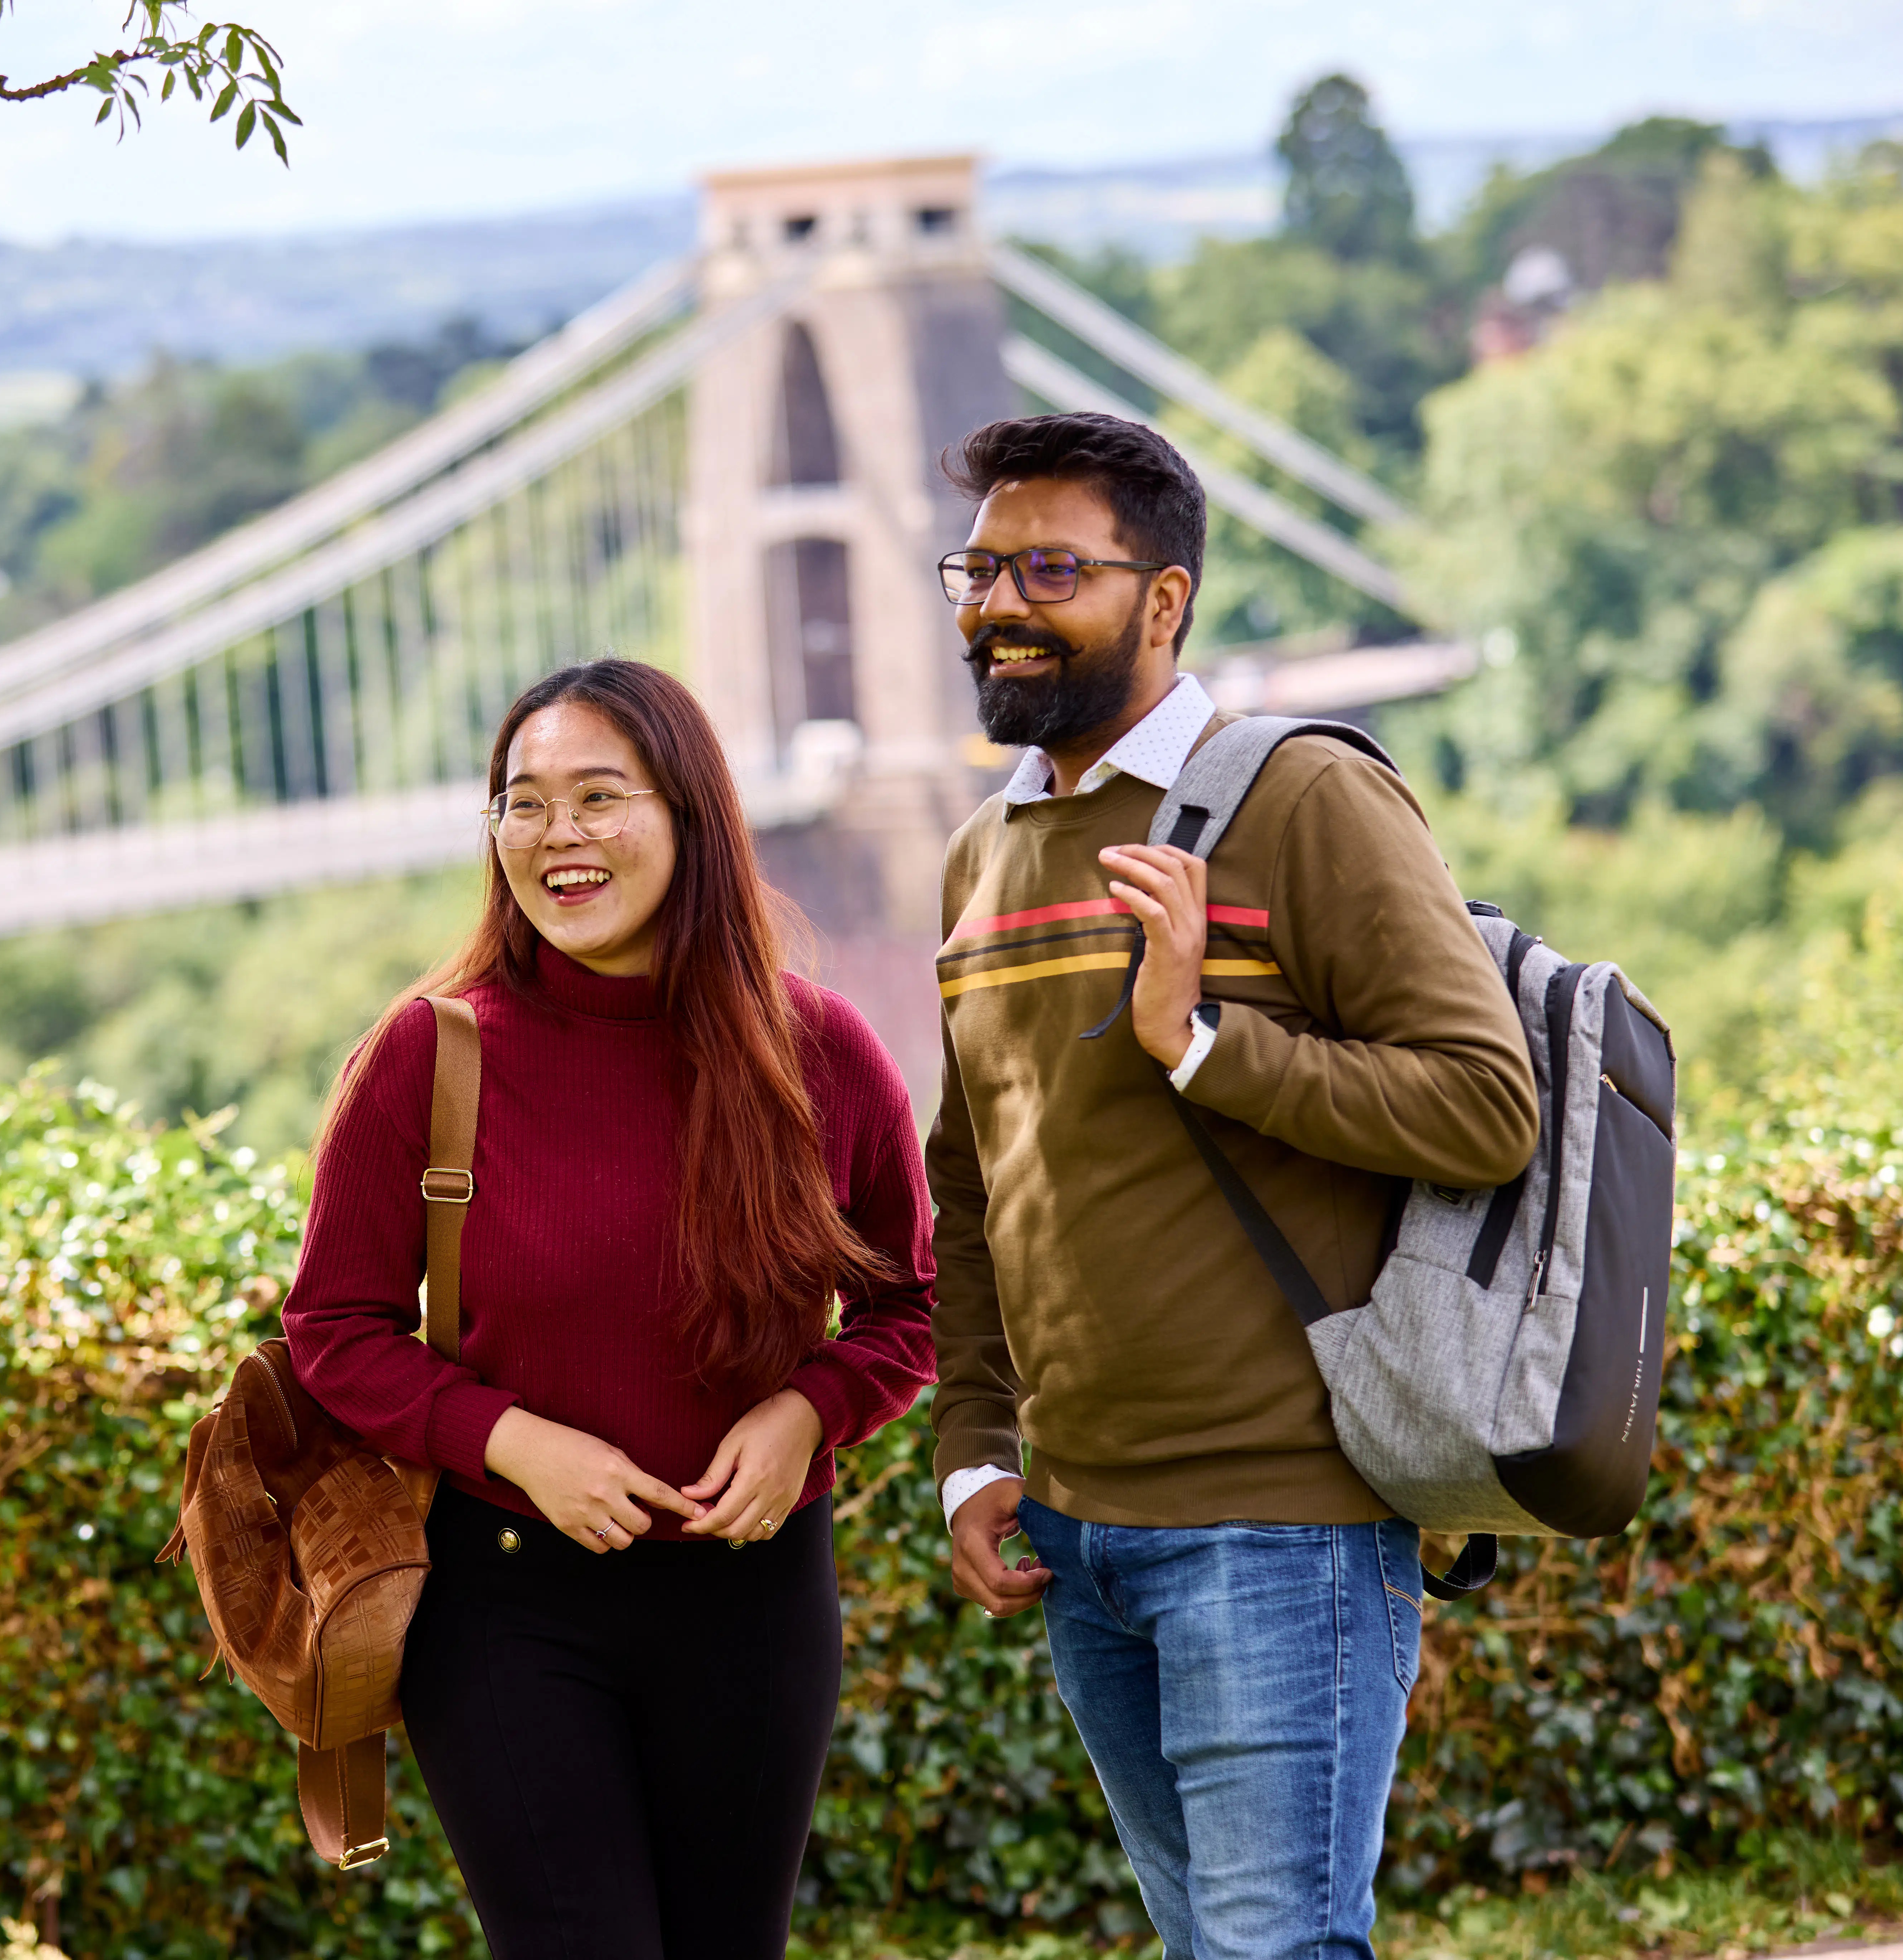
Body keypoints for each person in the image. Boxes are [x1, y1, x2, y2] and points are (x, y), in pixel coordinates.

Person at [923, 413, 1539, 1960]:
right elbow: (973, 1187)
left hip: (1280, 1524)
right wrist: (971, 1447)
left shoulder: (1301, 801)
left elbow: (1483, 1108)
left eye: (1050, 566)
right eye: (980, 566)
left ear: (1163, 600)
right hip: (1078, 1534)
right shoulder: (978, 859)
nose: (998, 600)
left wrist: (1198, 1043)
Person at [282, 657, 938, 1960]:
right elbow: (333, 1330)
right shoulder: (429, 1052)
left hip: (756, 1605)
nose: (557, 837)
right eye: (522, 804)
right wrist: (514, 1442)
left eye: (598, 796)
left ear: (691, 816)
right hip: (508, 1603)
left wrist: (810, 1413)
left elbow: (908, 1308)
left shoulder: (822, 1053)